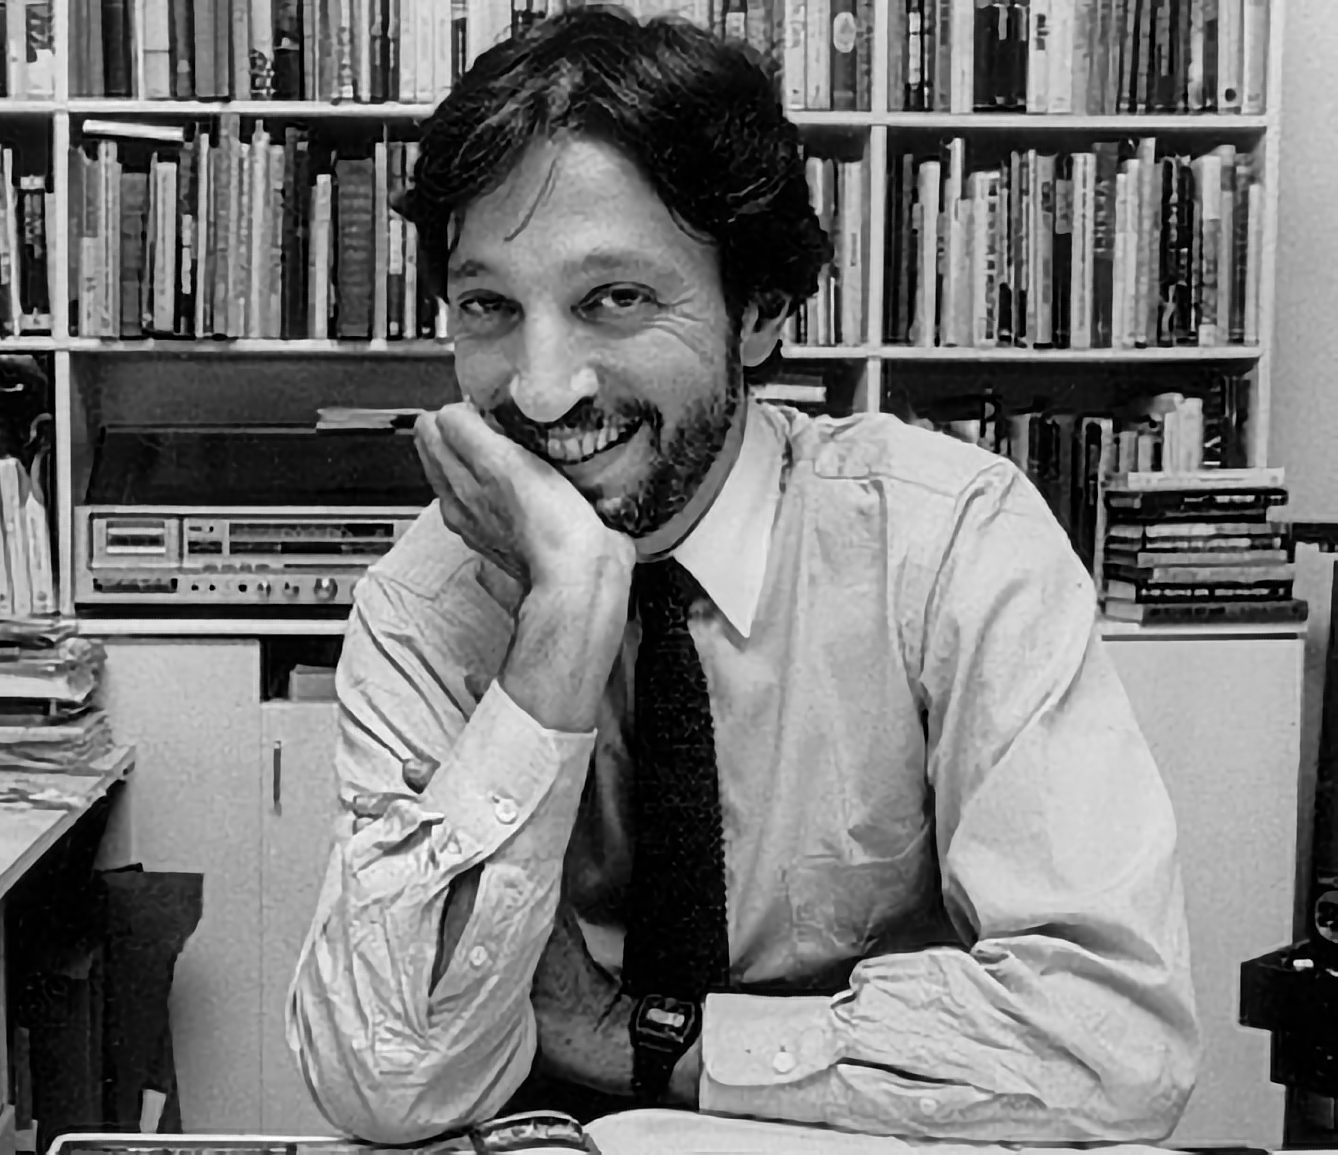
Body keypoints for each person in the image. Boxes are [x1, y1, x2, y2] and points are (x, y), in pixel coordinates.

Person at [286, 4, 1199, 1146]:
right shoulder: (429, 605)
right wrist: (565, 618)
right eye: (490, 307)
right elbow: (384, 1077)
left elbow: (1115, 1043)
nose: (542, 386)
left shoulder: (952, 540)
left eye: (614, 299)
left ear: (760, 307)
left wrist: (651, 1042)